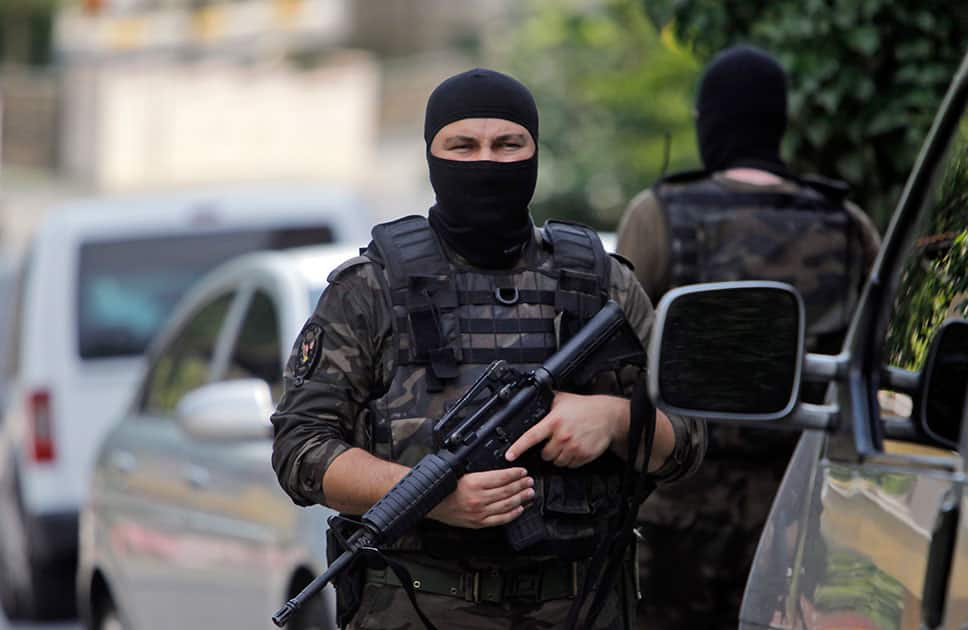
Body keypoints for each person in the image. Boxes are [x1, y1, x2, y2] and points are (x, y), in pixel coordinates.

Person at [271, 68, 706, 629]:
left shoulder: (602, 283)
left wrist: (616, 418)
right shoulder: (369, 290)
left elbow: (690, 439)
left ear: (534, 152)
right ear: (431, 156)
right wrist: (426, 495)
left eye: (508, 144)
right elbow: (300, 448)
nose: (486, 162)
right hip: (418, 607)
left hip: (583, 605)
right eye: (462, 145)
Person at [615, 45, 881, 630]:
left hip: (673, 508)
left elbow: (613, 353)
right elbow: (874, 363)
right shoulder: (847, 225)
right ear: (778, 123)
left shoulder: (659, 213)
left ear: (708, 120)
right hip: (799, 512)